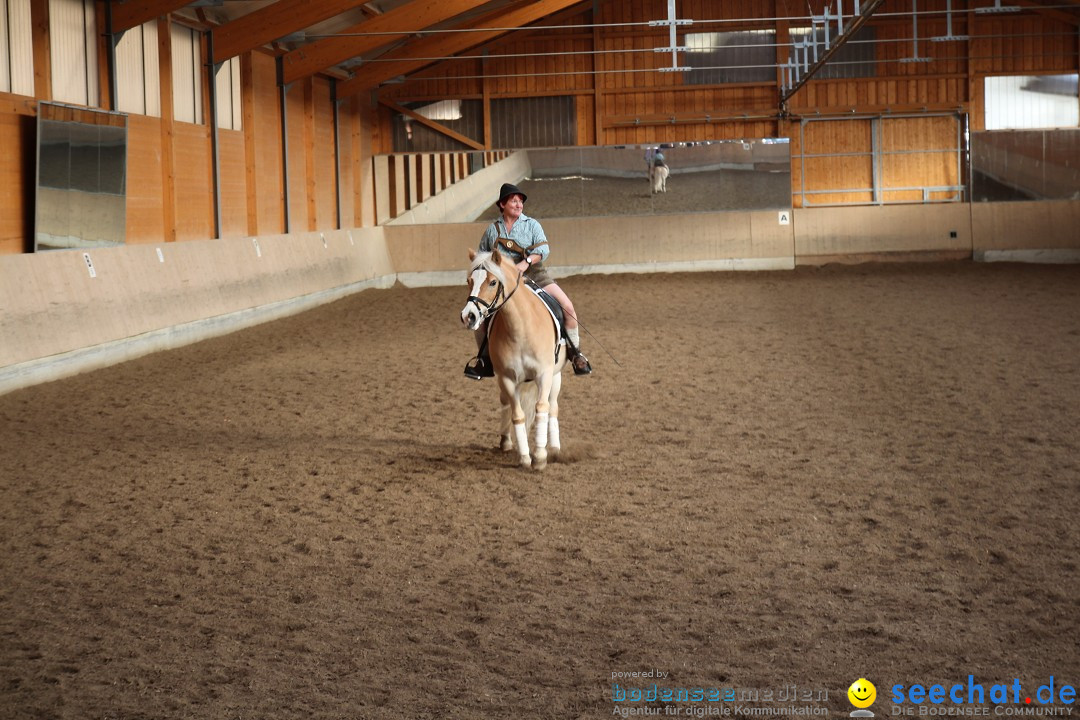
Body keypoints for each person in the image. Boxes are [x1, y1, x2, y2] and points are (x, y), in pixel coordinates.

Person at [464, 183, 592, 380]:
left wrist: (526, 262)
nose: (519, 204)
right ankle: (484, 360)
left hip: (535, 274)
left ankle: (576, 354)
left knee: (568, 306)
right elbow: (483, 256)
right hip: (504, 282)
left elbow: (543, 250)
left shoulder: (532, 225)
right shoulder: (492, 230)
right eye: (514, 201)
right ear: (502, 204)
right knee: (480, 318)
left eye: (520, 201)